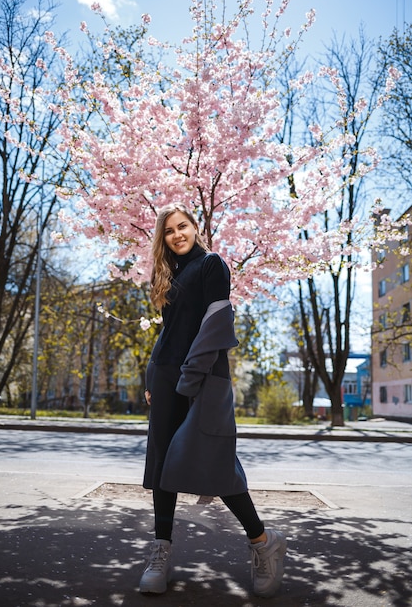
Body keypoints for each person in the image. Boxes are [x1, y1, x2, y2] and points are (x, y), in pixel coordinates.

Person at [139, 202, 287, 598]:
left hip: (204, 377)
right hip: (168, 376)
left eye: (182, 226)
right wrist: (154, 374)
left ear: (194, 227)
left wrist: (192, 374)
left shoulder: (211, 264)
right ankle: (161, 549)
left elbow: (216, 324)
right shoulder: (169, 274)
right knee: (162, 464)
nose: (177, 235)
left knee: (215, 462)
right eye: (169, 230)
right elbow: (169, 332)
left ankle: (262, 542)